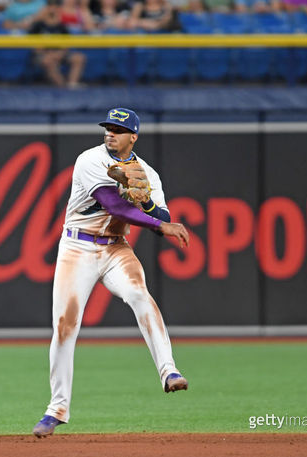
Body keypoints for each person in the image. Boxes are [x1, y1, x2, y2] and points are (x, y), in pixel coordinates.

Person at [32, 108, 190, 438]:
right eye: (108, 127)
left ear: (133, 136)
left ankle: (169, 371)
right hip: (77, 247)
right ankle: (56, 409)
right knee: (64, 326)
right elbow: (115, 205)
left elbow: (159, 210)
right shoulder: (90, 160)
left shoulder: (148, 172)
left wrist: (148, 204)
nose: (110, 133)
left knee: (138, 294)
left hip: (116, 247)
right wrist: (161, 224)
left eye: (118, 129)